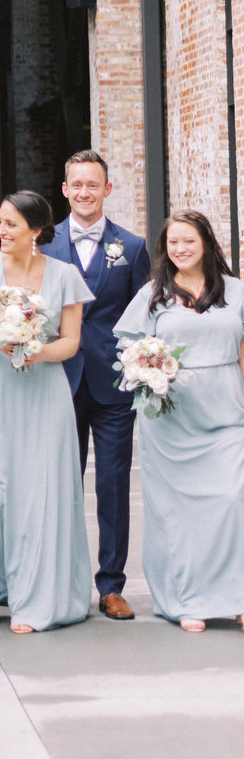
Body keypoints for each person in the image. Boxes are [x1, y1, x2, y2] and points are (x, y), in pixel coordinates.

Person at [0, 190, 92, 633]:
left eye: (10, 224)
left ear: (35, 230)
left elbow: (71, 341)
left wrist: (37, 351)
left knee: (39, 493)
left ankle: (36, 594)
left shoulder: (65, 275)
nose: (1, 231)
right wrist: (0, 340)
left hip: (44, 391)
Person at [114, 211, 244, 631]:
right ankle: (186, 599)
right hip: (170, 420)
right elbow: (128, 350)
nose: (180, 249)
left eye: (188, 241)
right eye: (172, 243)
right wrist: (146, 373)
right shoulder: (153, 295)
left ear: (206, 242)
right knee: (178, 513)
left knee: (231, 502)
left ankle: (234, 595)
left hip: (226, 411)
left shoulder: (237, 292)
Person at [43, 149, 149, 620]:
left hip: (111, 384)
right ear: (64, 189)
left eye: (93, 185)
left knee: (111, 485)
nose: (84, 193)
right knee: (58, 484)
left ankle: (111, 585)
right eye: (76, 185)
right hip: (55, 381)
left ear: (107, 190)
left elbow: (142, 316)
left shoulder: (133, 246)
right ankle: (60, 581)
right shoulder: (43, 244)